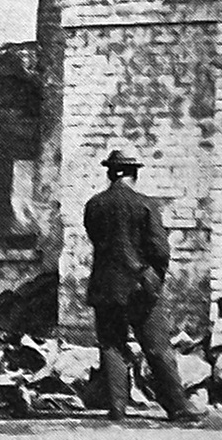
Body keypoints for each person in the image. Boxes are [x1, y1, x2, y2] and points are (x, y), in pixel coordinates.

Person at [83, 149, 204, 422]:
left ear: (110, 173)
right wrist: (153, 280)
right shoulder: (146, 205)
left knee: (111, 345)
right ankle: (178, 407)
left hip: (106, 288)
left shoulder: (94, 205)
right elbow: (160, 250)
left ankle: (117, 408)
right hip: (140, 289)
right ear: (133, 174)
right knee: (157, 348)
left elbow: (96, 239)